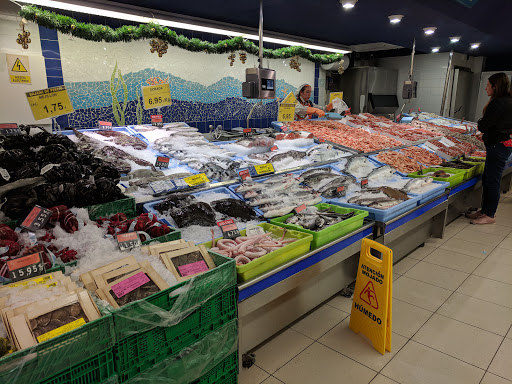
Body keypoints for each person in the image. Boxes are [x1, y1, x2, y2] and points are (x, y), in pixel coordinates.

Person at [467, 72, 512, 224]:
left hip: (497, 146)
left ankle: (489, 215)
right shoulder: (509, 100)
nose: (486, 88)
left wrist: (484, 127)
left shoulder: (498, 102)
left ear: (495, 86)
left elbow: (484, 125)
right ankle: (485, 210)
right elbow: (501, 125)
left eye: (487, 85)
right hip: (502, 144)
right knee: (488, 178)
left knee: (492, 180)